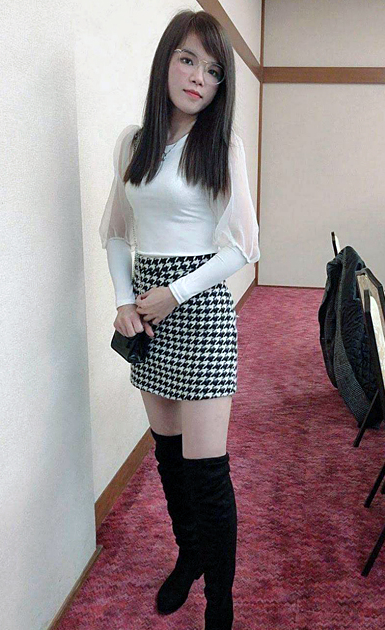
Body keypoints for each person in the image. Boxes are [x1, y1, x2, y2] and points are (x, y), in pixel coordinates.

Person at [99, 9, 260, 630]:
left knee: (207, 471)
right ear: (166, 61)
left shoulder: (222, 145)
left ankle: (219, 598)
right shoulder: (133, 142)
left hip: (201, 308)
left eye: (213, 70)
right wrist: (124, 300)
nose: (198, 78)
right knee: (167, 457)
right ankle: (188, 554)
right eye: (188, 60)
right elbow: (118, 230)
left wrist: (176, 292)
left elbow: (244, 246)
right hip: (146, 311)